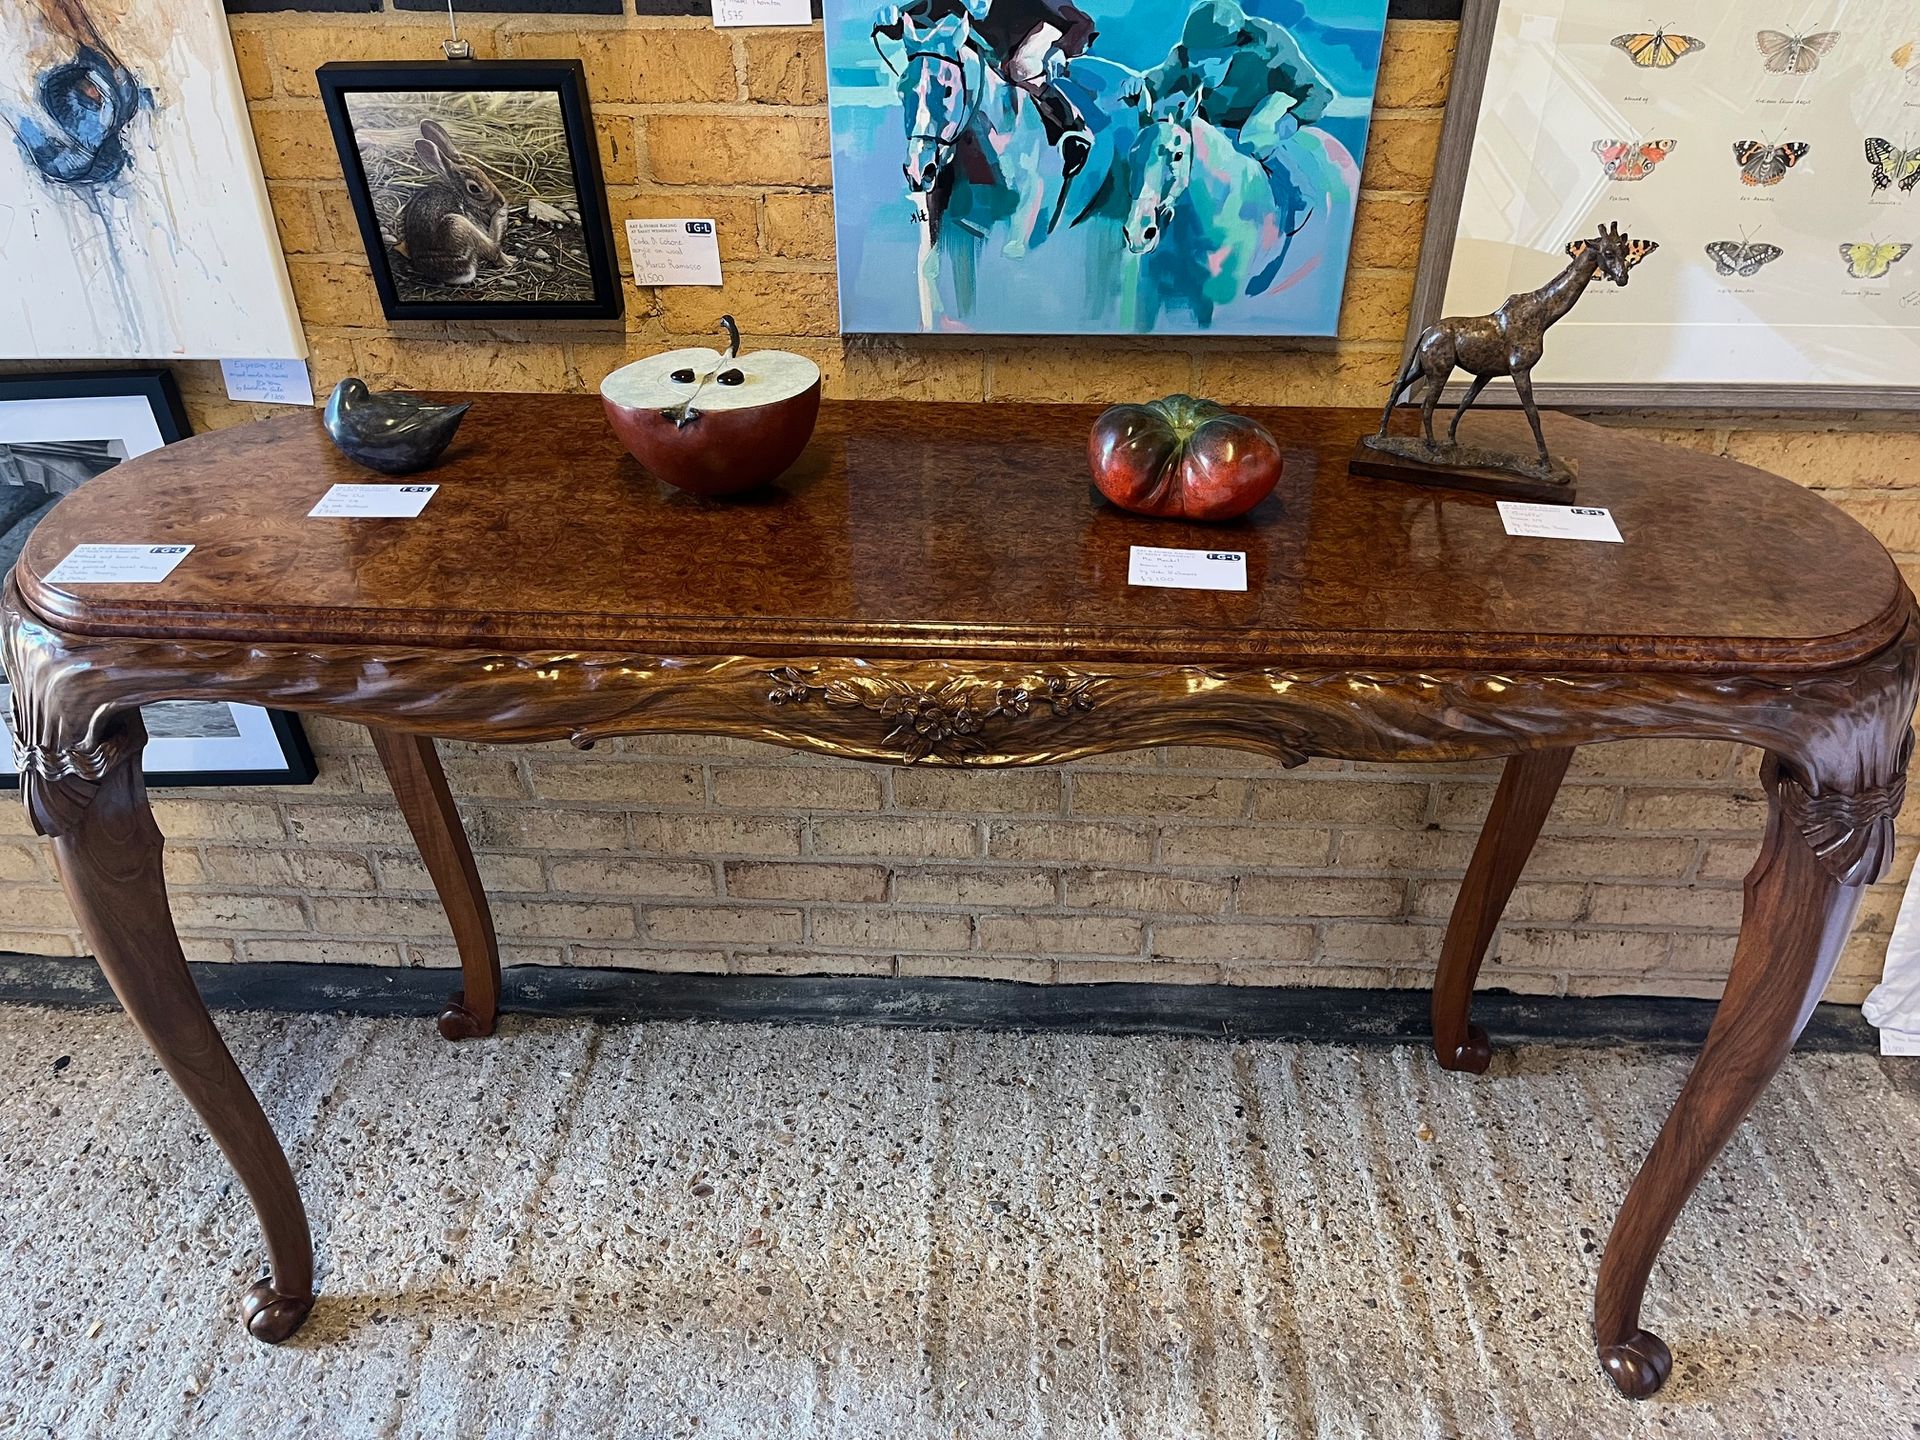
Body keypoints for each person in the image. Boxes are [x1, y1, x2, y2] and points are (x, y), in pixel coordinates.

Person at [875, 0, 1099, 177]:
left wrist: (1061, 48)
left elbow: (1082, 24)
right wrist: (892, 20)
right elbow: (912, 17)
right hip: (999, 57)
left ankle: (1072, 127)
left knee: (1019, 67)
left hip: (1048, 35)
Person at [1139, 0, 1333, 166]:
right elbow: (1157, 82)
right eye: (1195, 60)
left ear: (1235, 49)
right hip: (1211, 134)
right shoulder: (1185, 55)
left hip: (1260, 130)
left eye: (1211, 61)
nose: (1201, 71)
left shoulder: (1271, 45)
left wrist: (1287, 124)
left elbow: (1318, 92)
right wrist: (1136, 88)